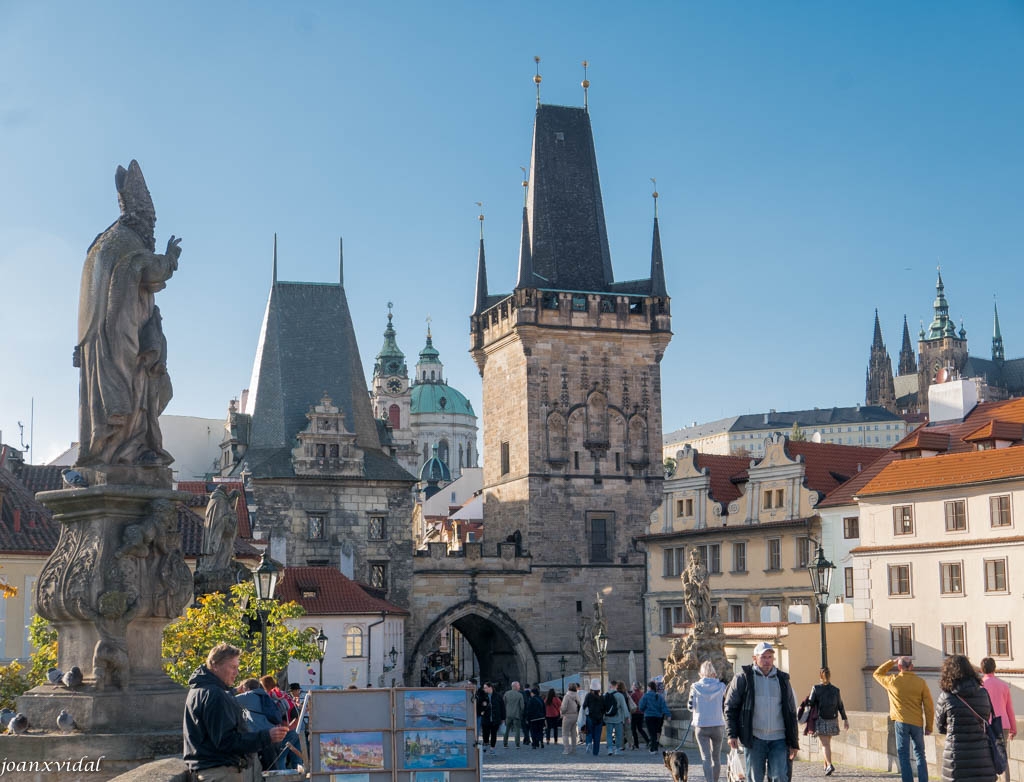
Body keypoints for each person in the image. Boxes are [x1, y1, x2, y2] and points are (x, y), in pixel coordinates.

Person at [76, 160, 179, 468]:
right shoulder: (128, 240)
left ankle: (104, 452)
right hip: (121, 342)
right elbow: (150, 271)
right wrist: (170, 259)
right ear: (142, 218)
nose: (152, 229)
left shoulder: (102, 243)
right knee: (135, 399)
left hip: (96, 344)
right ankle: (128, 453)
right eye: (151, 222)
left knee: (102, 406)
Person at [183, 643, 288, 780]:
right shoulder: (215, 694)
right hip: (220, 772)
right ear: (215, 666)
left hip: (208, 769)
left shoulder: (198, 690)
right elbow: (226, 741)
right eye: (232, 667)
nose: (236, 673)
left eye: (237, 668)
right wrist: (266, 736)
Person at [725, 641, 799, 782]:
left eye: (770, 657)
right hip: (754, 738)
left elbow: (791, 711)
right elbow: (730, 707)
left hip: (779, 738)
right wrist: (731, 734)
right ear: (755, 658)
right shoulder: (743, 678)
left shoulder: (782, 680)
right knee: (754, 778)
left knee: (780, 777)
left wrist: (794, 742)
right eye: (763, 657)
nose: (767, 661)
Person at [936, 654, 998, 782]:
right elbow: (986, 718)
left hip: (956, 758)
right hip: (982, 756)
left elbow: (940, 726)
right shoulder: (983, 693)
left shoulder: (946, 696)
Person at [873, 656, 934, 782]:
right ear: (911, 666)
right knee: (920, 754)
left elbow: (877, 673)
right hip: (917, 722)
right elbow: (929, 707)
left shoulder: (892, 681)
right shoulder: (920, 682)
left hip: (901, 721)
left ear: (899, 667)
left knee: (903, 755)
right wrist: (929, 726)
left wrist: (892, 662)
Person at [235, 679, 285, 772]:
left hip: (261, 737)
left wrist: (237, 689)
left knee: (259, 771)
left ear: (246, 688)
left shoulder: (248, 696)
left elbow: (227, 698)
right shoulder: (265, 695)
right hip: (273, 735)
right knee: (271, 769)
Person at [690, 660, 728, 782]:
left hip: (701, 725)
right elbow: (727, 703)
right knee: (716, 757)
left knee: (706, 757)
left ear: (700, 674)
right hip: (718, 724)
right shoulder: (722, 687)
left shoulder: (695, 687)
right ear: (714, 674)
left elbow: (691, 706)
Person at [807, 667, 848, 776]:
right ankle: (825, 767)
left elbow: (810, 703)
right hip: (833, 719)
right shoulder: (835, 689)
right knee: (827, 744)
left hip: (821, 719)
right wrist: (845, 719)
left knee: (825, 745)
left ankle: (829, 765)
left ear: (820, 676)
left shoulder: (816, 688)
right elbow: (840, 705)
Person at [981, 657, 1017, 782]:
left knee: (987, 756)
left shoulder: (979, 685)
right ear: (994, 668)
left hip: (987, 725)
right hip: (1003, 724)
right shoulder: (1003, 686)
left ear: (981, 669)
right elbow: (1009, 709)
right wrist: (1013, 728)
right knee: (1003, 756)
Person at [638, 679, 673, 753]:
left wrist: (644, 710)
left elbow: (641, 706)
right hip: (658, 717)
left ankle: (653, 748)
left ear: (649, 687)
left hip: (649, 716)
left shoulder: (646, 696)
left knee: (652, 733)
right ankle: (655, 747)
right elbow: (664, 707)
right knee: (656, 732)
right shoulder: (659, 697)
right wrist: (668, 715)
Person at [582, 678, 607, 757]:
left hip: (590, 717)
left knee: (589, 732)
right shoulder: (602, 697)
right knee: (597, 736)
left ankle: (589, 743)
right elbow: (604, 708)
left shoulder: (589, 695)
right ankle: (595, 752)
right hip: (599, 718)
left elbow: (584, 706)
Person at [478, 682, 505, 752]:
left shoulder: (498, 696)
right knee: (485, 734)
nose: (484, 689)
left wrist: (503, 718)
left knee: (494, 734)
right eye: (484, 688)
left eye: (485, 687)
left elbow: (502, 707)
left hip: (495, 718)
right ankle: (486, 743)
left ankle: (492, 748)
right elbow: (478, 706)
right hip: (486, 718)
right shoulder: (483, 696)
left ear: (490, 687)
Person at [603, 680, 629, 755]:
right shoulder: (620, 695)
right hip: (618, 718)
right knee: (618, 734)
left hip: (608, 718)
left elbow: (604, 707)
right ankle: (617, 749)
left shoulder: (605, 695)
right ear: (616, 686)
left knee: (609, 734)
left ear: (610, 686)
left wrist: (603, 716)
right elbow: (624, 707)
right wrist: (627, 716)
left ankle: (610, 749)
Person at [560, 682, 581, 754]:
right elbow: (580, 704)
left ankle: (566, 749)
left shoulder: (567, 696)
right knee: (573, 733)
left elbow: (564, 707)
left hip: (567, 716)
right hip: (575, 716)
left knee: (565, 733)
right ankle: (574, 749)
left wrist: (561, 712)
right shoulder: (577, 696)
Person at [503, 680, 525, 748]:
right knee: (517, 730)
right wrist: (521, 713)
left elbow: (503, 704)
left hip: (508, 714)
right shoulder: (519, 695)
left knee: (506, 730)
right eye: (518, 686)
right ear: (515, 686)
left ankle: (505, 743)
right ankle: (517, 744)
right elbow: (522, 706)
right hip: (516, 715)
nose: (519, 687)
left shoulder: (506, 693)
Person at [630, 682, 651, 750]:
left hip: (635, 713)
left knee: (633, 729)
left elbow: (631, 704)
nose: (632, 686)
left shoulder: (633, 695)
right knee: (640, 728)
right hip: (641, 713)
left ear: (635, 687)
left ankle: (636, 744)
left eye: (633, 685)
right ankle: (647, 740)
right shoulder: (642, 694)